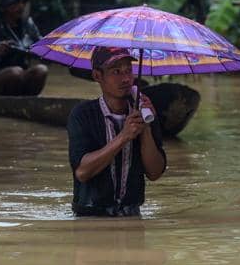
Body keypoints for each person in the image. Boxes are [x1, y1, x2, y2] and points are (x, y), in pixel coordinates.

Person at [67, 46, 166, 217]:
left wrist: (146, 129)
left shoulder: (145, 112)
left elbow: (155, 173)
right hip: (90, 217)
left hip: (132, 215)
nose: (126, 79)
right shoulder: (82, 114)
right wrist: (124, 137)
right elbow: (82, 172)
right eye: (116, 72)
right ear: (97, 76)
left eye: (129, 70)